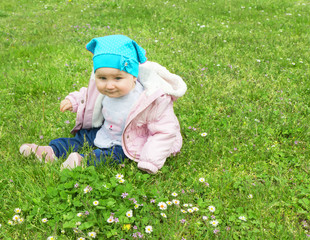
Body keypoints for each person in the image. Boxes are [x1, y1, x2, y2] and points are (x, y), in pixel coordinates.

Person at [19, 35, 187, 174]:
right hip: (104, 131)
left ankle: (82, 161)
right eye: (102, 78)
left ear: (134, 77)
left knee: (112, 155)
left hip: (129, 141)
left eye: (118, 78)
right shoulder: (103, 88)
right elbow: (88, 95)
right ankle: (50, 151)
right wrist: (74, 101)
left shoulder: (151, 99)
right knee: (81, 138)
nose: (109, 85)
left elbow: (165, 130)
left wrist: (150, 160)